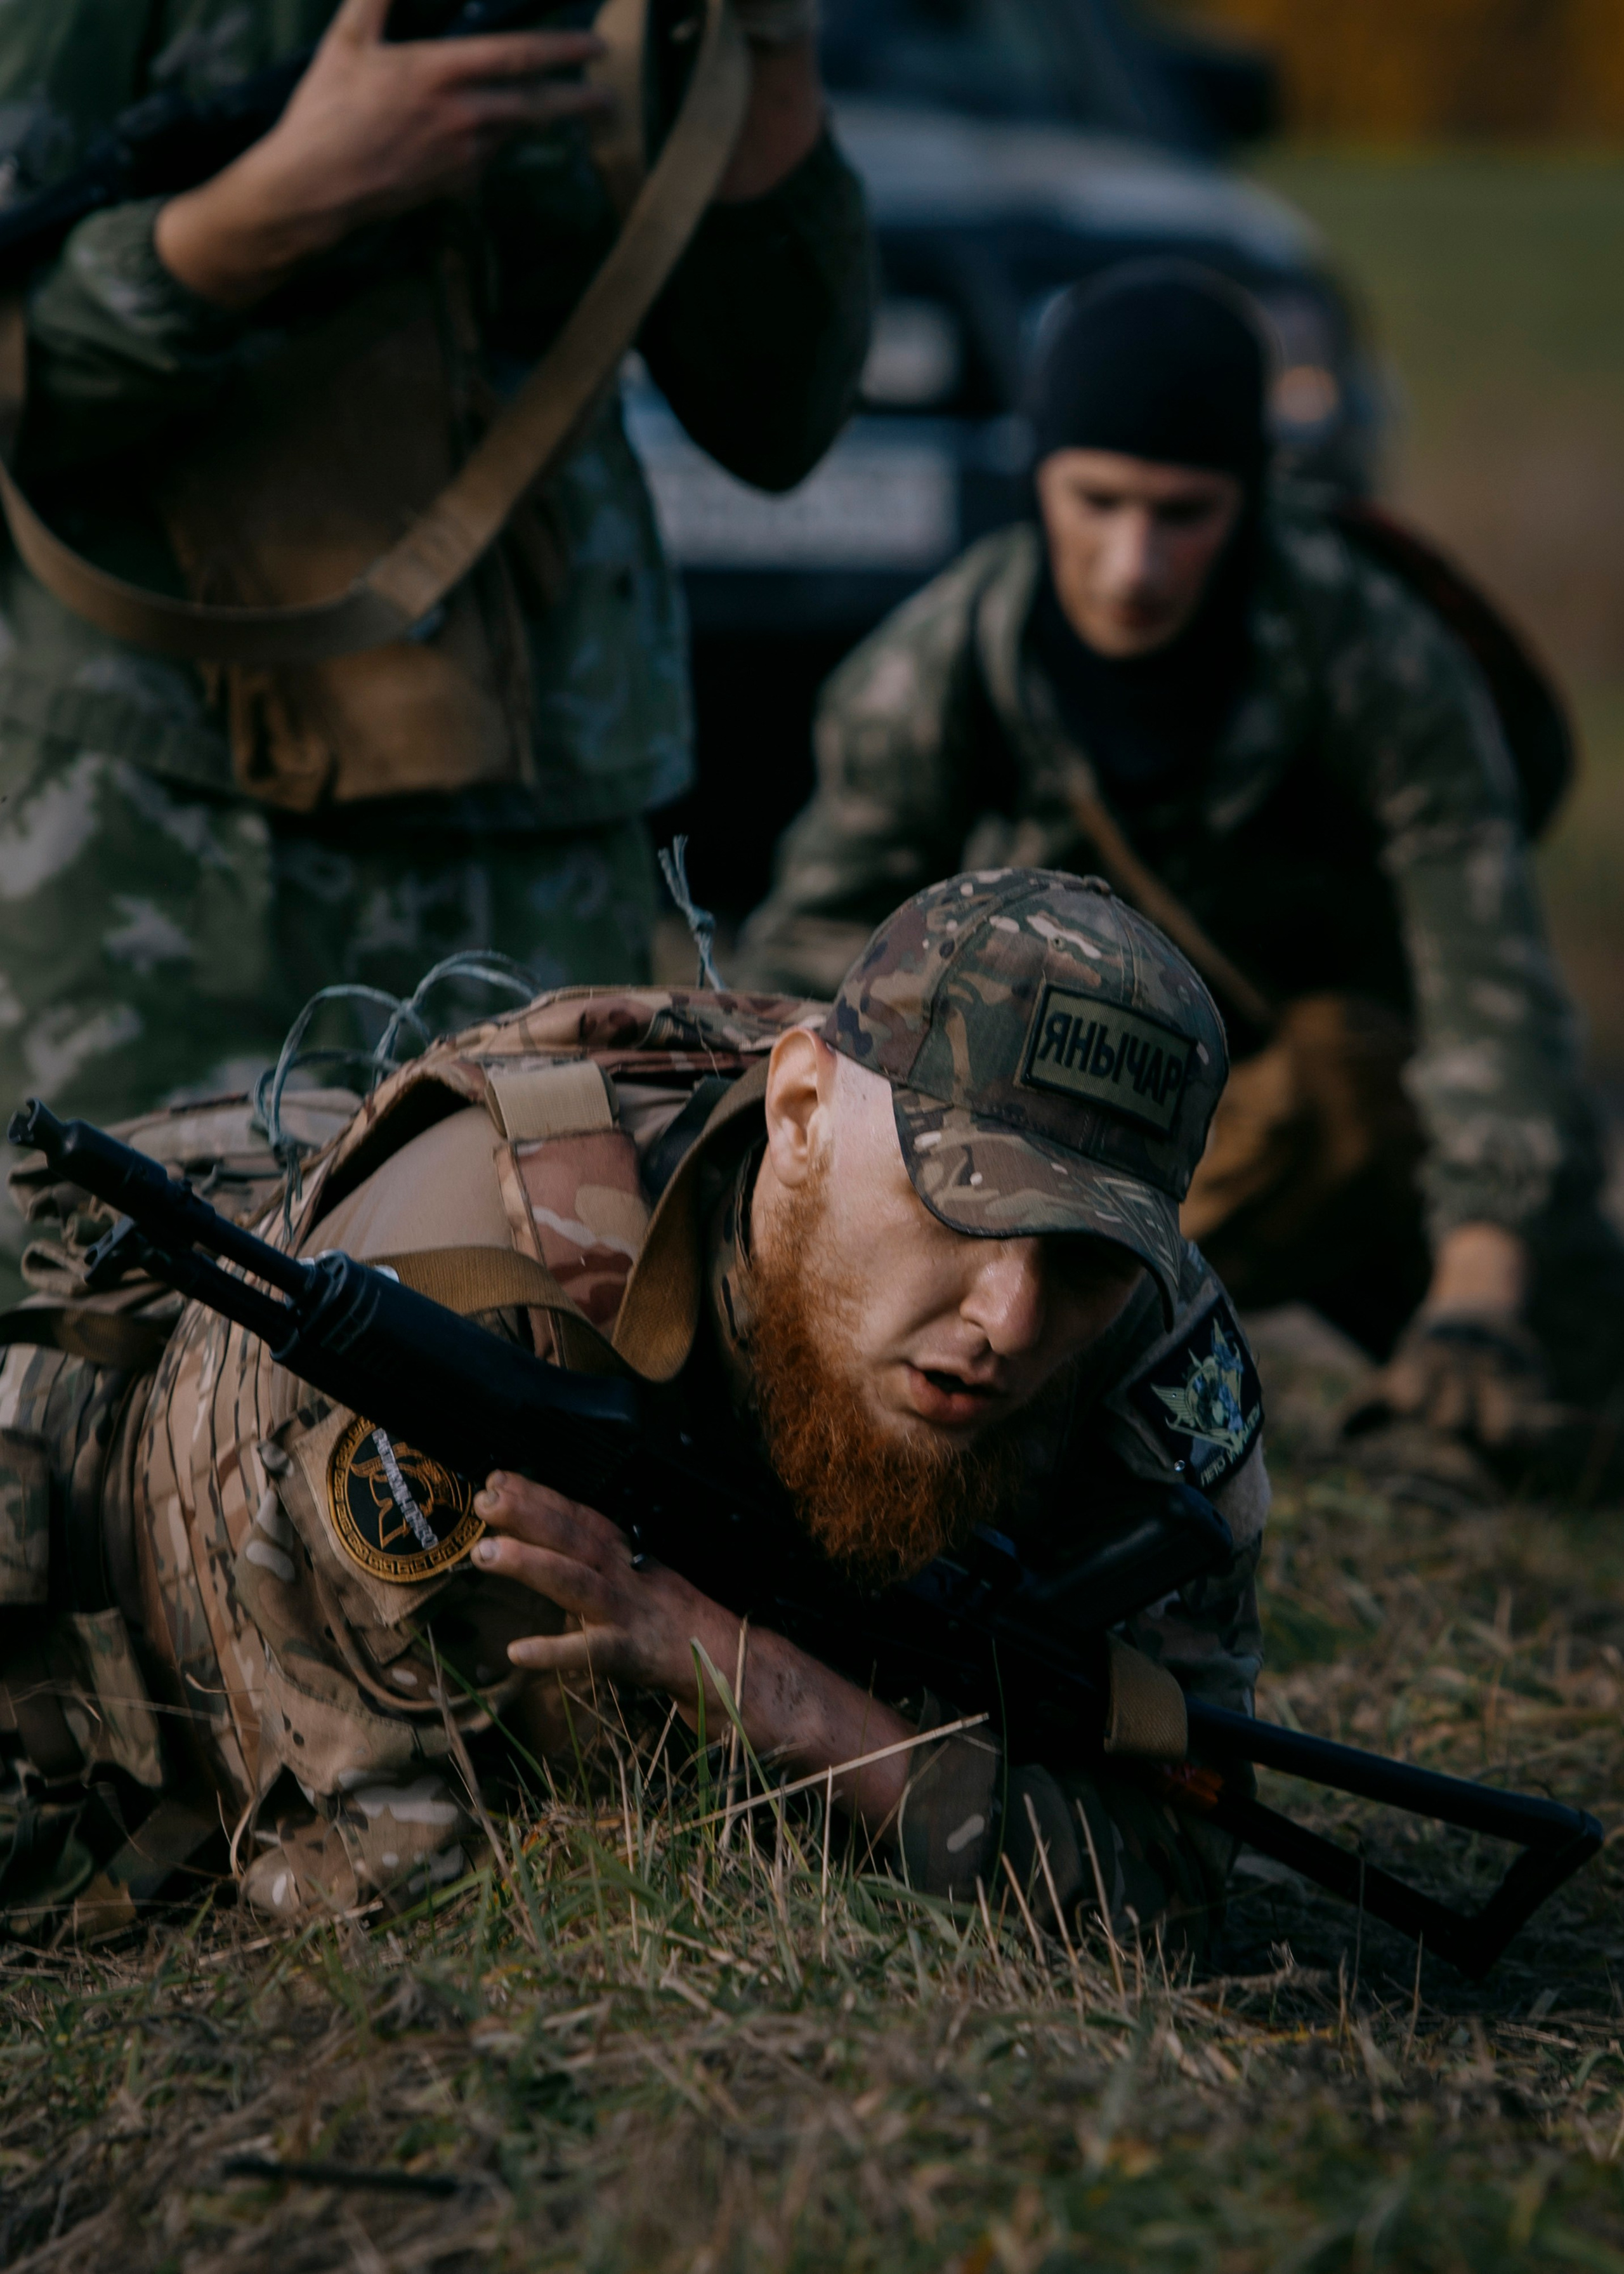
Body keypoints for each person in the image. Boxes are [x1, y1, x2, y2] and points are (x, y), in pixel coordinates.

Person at [0, 869, 1265, 1955]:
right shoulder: (473, 1330)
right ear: (801, 1114)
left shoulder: (1151, 1366)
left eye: (1084, 1254)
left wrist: (789, 1702)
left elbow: (1167, 1879)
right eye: (961, 1202)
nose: (1010, 1314)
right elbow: (406, 1915)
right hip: (88, 1569)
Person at [0, 0, 874, 1294]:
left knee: (532, 1358)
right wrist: (256, 219)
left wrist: (771, 47)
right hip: (168, 841)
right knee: (119, 1348)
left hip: (531, 823)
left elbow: (777, 413)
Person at [738, 263, 1624, 1474]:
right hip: (1040, 1157)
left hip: (1384, 1144)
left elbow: (1493, 997)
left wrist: (1480, 1287)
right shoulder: (937, 678)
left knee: (1579, 1401)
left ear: (1255, 499)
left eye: (1184, 512)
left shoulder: (1382, 666)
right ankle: (1069, 1336)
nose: (1133, 563)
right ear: (1034, 482)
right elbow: (804, 979)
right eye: (1097, 502)